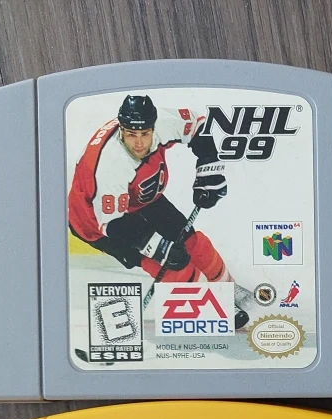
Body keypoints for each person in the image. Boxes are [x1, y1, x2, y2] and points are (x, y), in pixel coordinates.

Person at [68, 94, 248, 328]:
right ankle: (215, 305)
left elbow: (198, 127)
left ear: (154, 127)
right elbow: (113, 224)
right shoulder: (109, 165)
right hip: (97, 223)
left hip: (141, 199)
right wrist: (159, 248)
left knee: (194, 244)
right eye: (131, 135)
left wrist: (209, 170)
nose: (139, 143)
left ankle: (229, 290)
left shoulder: (164, 121)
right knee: (172, 265)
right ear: (121, 130)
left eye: (145, 134)